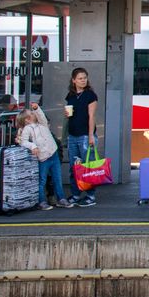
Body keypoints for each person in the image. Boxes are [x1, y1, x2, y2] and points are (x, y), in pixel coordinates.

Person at [15, 106, 72, 210]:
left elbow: (41, 116)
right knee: (42, 180)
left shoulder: (42, 123)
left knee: (57, 178)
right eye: (32, 114)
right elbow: (24, 142)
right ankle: (41, 201)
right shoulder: (27, 129)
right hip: (43, 157)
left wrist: (37, 109)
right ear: (27, 119)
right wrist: (33, 146)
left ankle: (61, 198)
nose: (34, 114)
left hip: (53, 153)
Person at [65, 67, 99, 207]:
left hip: (85, 135)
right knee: (74, 167)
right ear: (74, 80)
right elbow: (69, 115)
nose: (83, 80)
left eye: (84, 78)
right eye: (80, 78)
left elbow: (92, 116)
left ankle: (90, 196)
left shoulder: (90, 95)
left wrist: (91, 135)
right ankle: (76, 194)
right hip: (72, 134)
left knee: (88, 166)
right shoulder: (70, 96)